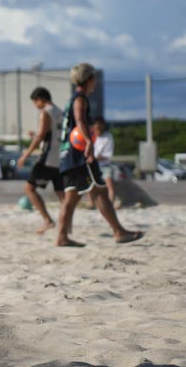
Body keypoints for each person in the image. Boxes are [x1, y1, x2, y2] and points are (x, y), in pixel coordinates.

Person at [55, 63, 144, 248]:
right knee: (100, 192)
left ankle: (61, 237)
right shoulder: (80, 98)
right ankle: (119, 232)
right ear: (90, 79)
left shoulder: (71, 99)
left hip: (66, 154)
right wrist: (88, 142)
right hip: (79, 153)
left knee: (70, 198)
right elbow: (80, 119)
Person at [16, 87, 64, 234]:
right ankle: (65, 223)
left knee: (29, 189)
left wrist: (25, 154)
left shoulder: (45, 113)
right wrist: (36, 136)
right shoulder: (60, 112)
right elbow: (53, 135)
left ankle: (48, 220)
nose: (36, 106)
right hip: (60, 157)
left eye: (35, 102)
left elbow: (41, 136)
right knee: (61, 192)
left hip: (48, 157)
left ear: (40, 99)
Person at [91, 118, 118, 207]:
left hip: (104, 164)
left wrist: (96, 157)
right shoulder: (90, 136)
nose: (98, 129)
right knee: (90, 186)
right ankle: (92, 204)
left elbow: (108, 155)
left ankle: (110, 204)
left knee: (110, 185)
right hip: (92, 165)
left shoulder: (108, 137)